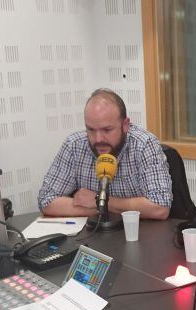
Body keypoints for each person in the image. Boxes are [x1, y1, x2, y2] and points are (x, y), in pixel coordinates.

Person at [38, 88, 172, 220]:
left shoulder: (144, 145)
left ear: (125, 125)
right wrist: (100, 209)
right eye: (91, 130)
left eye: (107, 130)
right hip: (93, 232)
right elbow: (46, 200)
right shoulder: (74, 146)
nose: (98, 139)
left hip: (138, 231)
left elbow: (160, 207)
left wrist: (98, 200)